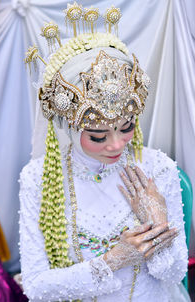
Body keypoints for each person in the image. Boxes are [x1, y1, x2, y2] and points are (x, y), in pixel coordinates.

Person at [20, 3, 190, 302]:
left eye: (127, 128)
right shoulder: (38, 178)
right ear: (69, 127)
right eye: (98, 135)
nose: (115, 145)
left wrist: (157, 221)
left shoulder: (156, 167)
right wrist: (112, 260)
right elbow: (36, 287)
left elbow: (173, 275)